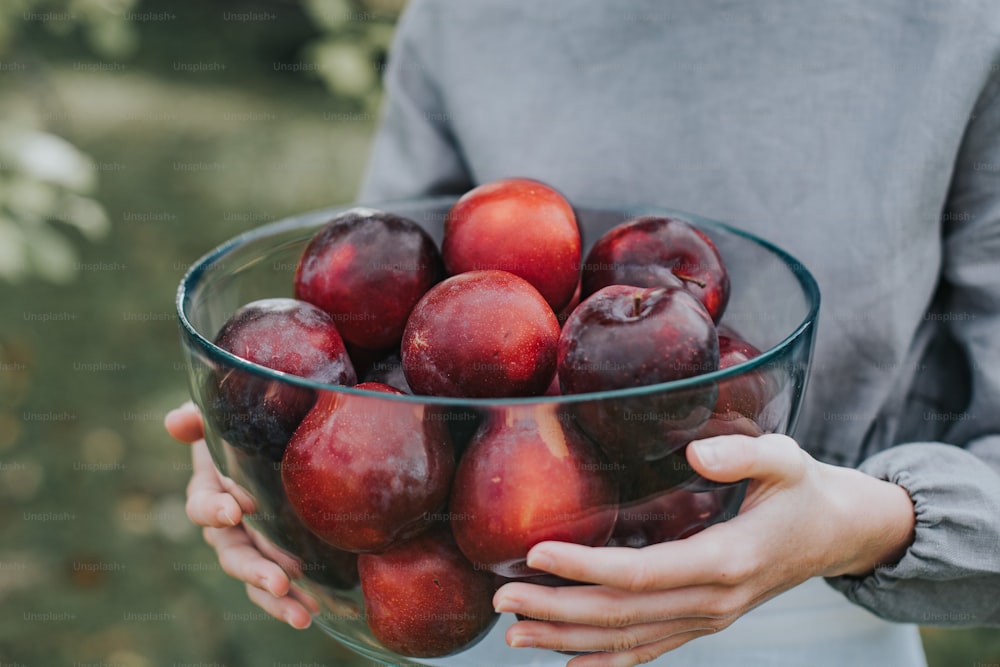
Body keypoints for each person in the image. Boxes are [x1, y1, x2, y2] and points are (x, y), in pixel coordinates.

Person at [166, 1, 1000, 665]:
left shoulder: (962, 23)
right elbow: (380, 316)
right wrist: (266, 457)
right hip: (490, 610)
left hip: (812, 615)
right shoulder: (469, 14)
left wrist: (870, 522)